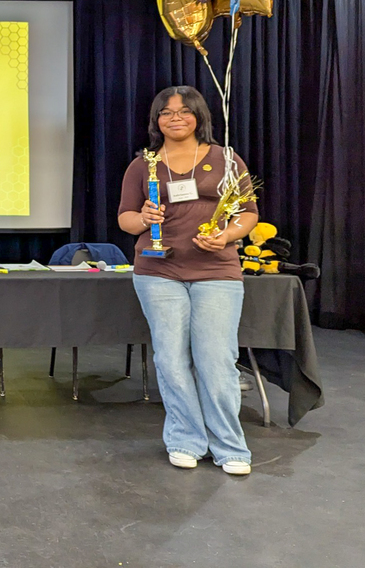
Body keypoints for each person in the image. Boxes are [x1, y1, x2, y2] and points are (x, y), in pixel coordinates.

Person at [117, 86, 258, 476]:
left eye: (183, 111)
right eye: (165, 111)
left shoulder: (227, 160)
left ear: (199, 116)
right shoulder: (143, 165)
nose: (174, 117)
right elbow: (125, 219)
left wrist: (227, 236)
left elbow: (247, 213)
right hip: (158, 272)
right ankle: (185, 439)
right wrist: (144, 219)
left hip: (217, 271)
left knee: (216, 359)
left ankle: (230, 446)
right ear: (155, 120)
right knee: (172, 360)